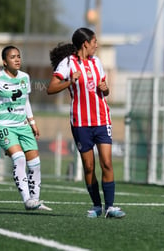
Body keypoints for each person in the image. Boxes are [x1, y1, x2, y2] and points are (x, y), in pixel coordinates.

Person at [47, 27, 125, 219]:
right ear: (85, 44)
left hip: (102, 119)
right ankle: (97, 206)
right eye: (94, 42)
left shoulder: (97, 62)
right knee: (88, 166)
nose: (97, 45)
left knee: (106, 162)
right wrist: (70, 82)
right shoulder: (67, 63)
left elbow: (104, 91)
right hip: (81, 122)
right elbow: (51, 88)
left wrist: (105, 89)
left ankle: (110, 207)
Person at [0, 45, 51, 211]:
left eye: (18, 56)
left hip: (23, 125)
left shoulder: (25, 77)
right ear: (5, 62)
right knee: (19, 158)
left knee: (35, 162)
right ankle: (27, 200)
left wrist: (32, 123)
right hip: (3, 125)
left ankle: (35, 200)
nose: (17, 59)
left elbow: (25, 101)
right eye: (13, 57)